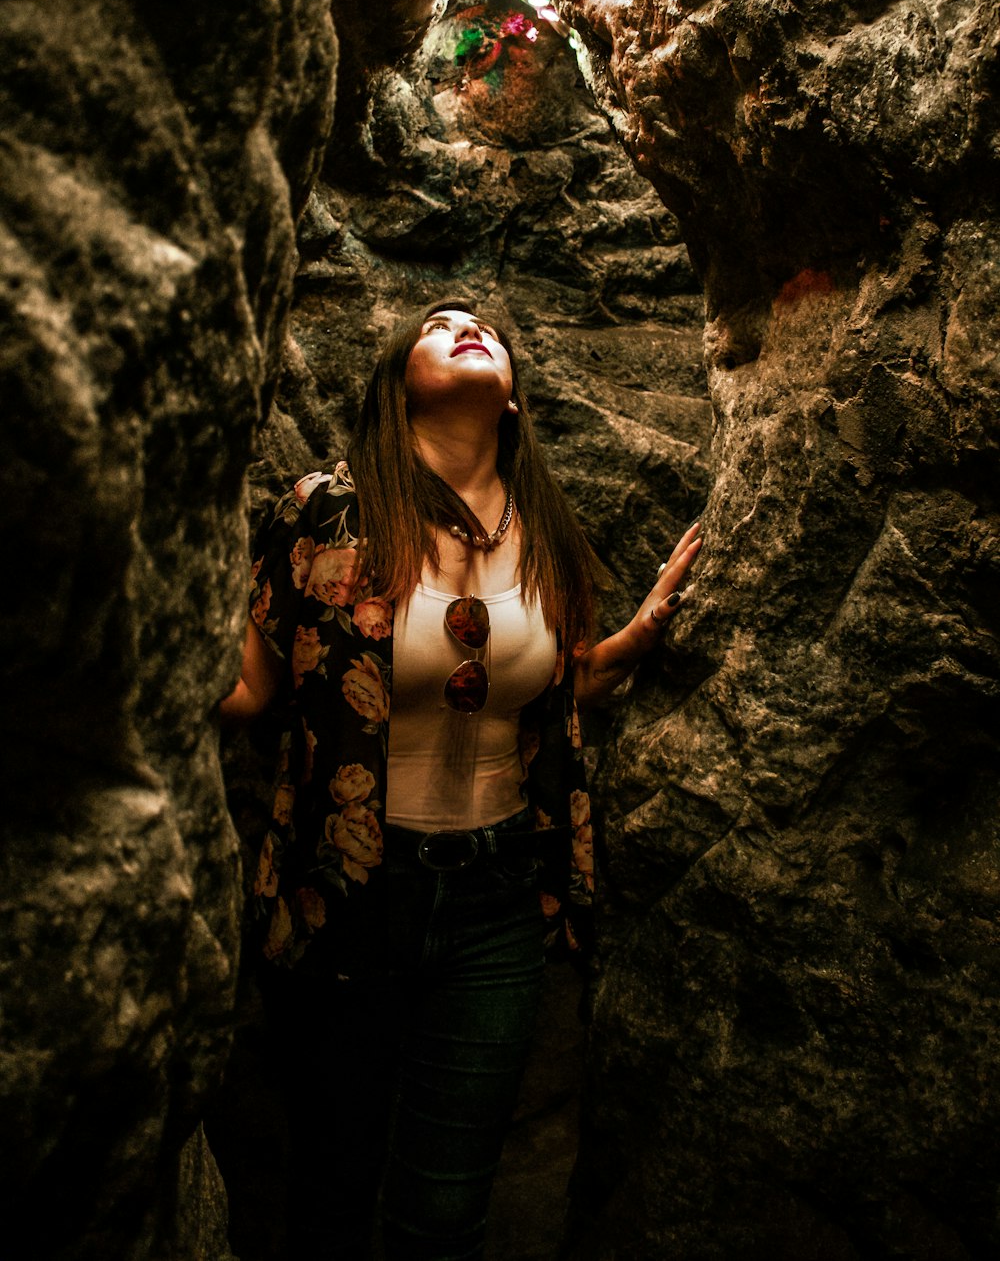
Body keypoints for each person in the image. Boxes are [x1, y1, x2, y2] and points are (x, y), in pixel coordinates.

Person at [221, 299, 701, 1261]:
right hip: (346, 892)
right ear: (397, 383)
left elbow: (558, 692)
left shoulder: (547, 532)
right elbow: (250, 690)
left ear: (514, 400)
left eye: (483, 326)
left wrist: (641, 633)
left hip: (496, 896)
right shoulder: (323, 511)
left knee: (445, 1213)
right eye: (437, 325)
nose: (466, 326)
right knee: (328, 1190)